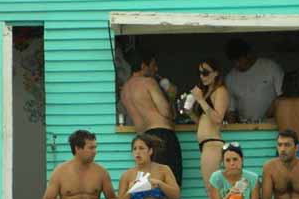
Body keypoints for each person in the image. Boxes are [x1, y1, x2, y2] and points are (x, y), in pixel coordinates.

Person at [121, 50, 183, 191]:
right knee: (171, 184)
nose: (156, 69)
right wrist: (171, 96)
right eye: (153, 65)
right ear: (144, 66)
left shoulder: (125, 90)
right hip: (161, 135)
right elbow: (165, 111)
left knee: (149, 184)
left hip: (143, 139)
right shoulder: (148, 82)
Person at [187, 58, 230, 190]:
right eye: (200, 73)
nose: (202, 76)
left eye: (205, 73)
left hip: (213, 143)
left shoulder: (220, 91)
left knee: (212, 189)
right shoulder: (207, 93)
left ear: (216, 73)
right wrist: (190, 113)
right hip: (206, 144)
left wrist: (200, 100)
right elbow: (204, 122)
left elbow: (218, 119)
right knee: (212, 189)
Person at [224, 38, 283, 123]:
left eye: (239, 60)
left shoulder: (271, 67)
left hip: (272, 124)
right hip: (245, 126)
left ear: (249, 55)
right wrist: (231, 128)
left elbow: (282, 97)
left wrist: (269, 114)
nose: (237, 64)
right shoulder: (230, 78)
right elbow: (230, 110)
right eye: (233, 61)